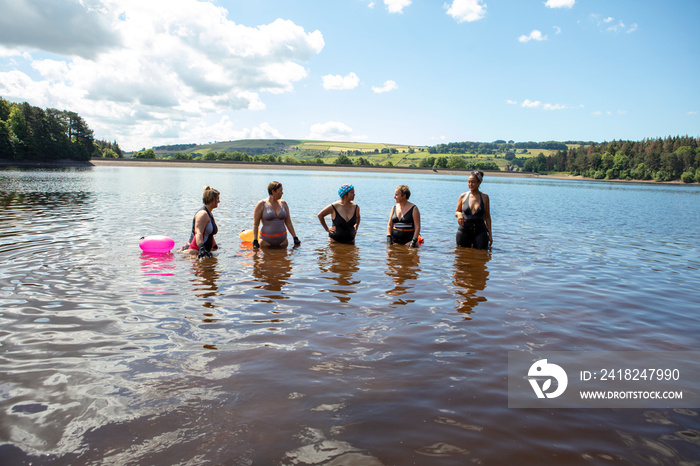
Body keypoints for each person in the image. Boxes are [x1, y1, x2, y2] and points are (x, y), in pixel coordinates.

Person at [252, 181, 300, 249]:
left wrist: (295, 237)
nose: (282, 193)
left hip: (283, 242)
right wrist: (255, 240)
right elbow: (255, 224)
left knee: (283, 259)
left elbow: (288, 222)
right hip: (266, 242)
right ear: (273, 192)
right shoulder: (261, 204)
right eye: (280, 191)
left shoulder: (284, 204)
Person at [455, 170, 492, 250]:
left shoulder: (485, 197)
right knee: (461, 255)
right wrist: (459, 215)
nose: (470, 184)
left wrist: (490, 234)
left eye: (473, 182)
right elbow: (457, 211)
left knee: (481, 255)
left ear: (479, 183)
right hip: (464, 231)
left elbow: (487, 216)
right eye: (469, 182)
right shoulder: (463, 196)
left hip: (480, 231)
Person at [184, 186, 220, 258]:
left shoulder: (209, 214)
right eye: (217, 199)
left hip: (203, 252)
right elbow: (198, 233)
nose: (219, 201)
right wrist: (201, 248)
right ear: (211, 199)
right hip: (194, 252)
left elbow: (209, 233)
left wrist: (215, 246)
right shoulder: (202, 214)